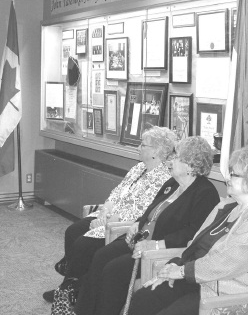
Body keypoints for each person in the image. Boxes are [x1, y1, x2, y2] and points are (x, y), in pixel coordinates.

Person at [125, 147, 248, 315]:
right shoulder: (226, 206)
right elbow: (195, 244)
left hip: (230, 293)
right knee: (145, 299)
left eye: (234, 175)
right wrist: (172, 266)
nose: (227, 178)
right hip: (200, 280)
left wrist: (181, 272)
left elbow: (225, 263)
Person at [74, 136, 220, 315]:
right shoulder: (172, 184)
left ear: (191, 165)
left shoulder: (205, 194)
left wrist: (155, 245)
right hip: (141, 241)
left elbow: (193, 234)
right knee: (101, 256)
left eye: (176, 156)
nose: (170, 159)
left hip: (159, 252)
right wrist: (137, 224)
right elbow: (151, 210)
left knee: (114, 270)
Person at [43, 126, 176, 302]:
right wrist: (104, 211)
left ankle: (74, 288)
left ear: (156, 152)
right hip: (109, 214)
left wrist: (107, 221)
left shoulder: (163, 179)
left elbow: (142, 211)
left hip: (121, 224)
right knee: (72, 232)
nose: (138, 148)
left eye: (143, 145)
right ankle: (71, 285)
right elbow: (117, 192)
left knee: (83, 244)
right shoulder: (138, 168)